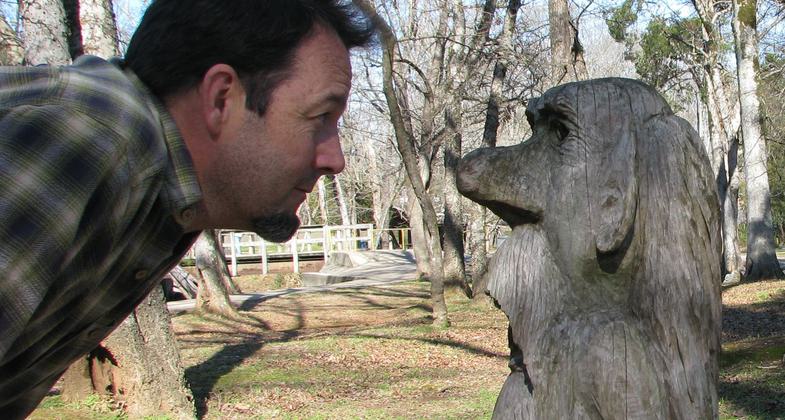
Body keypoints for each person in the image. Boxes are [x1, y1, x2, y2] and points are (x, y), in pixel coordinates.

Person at [0, 0, 374, 416]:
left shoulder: (166, 190)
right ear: (220, 99)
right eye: (320, 116)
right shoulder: (83, 139)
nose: (335, 159)